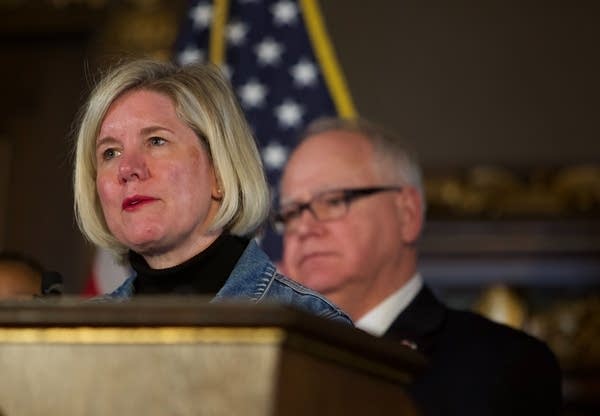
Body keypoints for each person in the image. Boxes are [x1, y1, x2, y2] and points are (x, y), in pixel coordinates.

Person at [275, 117, 562, 415]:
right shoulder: (266, 360)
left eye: (332, 201)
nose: (304, 227)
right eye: (291, 212)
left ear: (407, 214)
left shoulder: (503, 365)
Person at [72, 58, 350, 325]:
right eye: (110, 152)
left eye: (156, 141)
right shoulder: (77, 332)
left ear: (219, 171)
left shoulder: (313, 325)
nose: (127, 168)